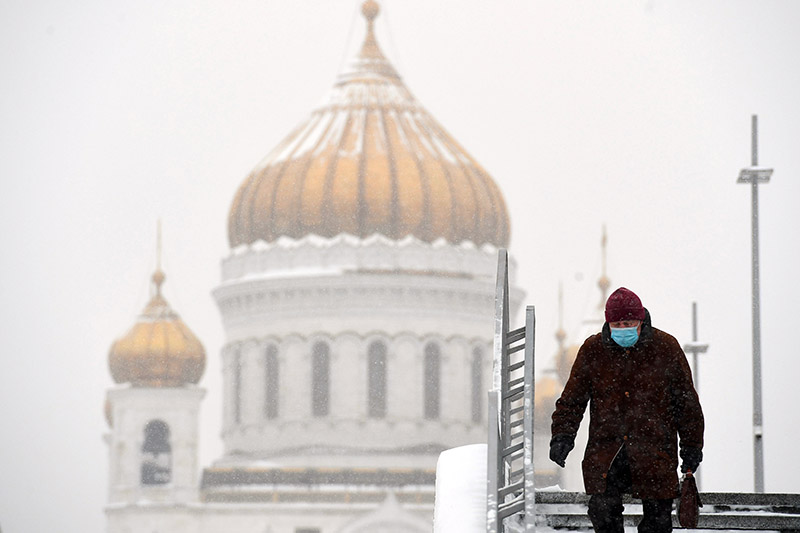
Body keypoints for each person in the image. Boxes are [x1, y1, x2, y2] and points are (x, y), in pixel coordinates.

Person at [549, 287, 704, 533]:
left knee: (658, 522)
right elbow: (572, 400)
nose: (623, 329)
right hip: (607, 453)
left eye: (629, 323)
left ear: (641, 321)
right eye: (617, 324)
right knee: (603, 513)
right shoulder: (593, 350)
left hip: (654, 452)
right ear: (608, 323)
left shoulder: (665, 348)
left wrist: (691, 447)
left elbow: (687, 405)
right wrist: (562, 435)